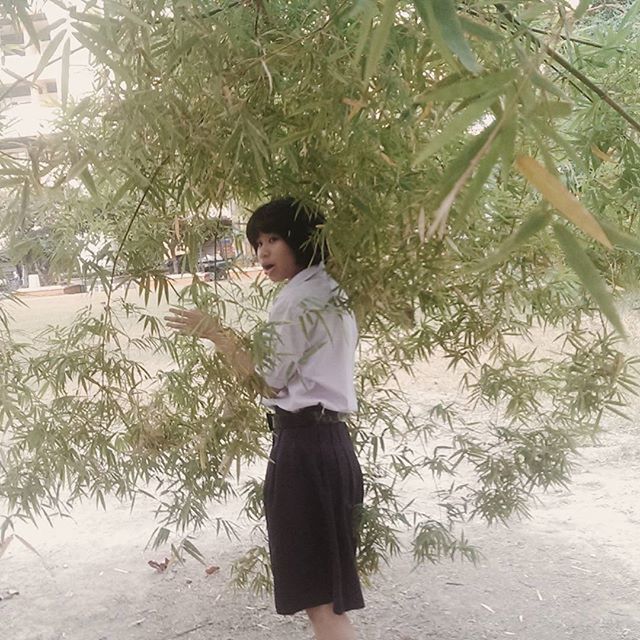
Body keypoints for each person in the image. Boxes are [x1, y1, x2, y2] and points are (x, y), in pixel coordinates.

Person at [165, 197, 364, 640]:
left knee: (322, 606)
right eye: (258, 241)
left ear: (302, 240)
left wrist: (216, 333)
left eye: (274, 239)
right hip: (333, 447)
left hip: (305, 451)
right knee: (327, 599)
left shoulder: (296, 299)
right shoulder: (333, 290)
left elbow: (266, 381)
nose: (263, 251)